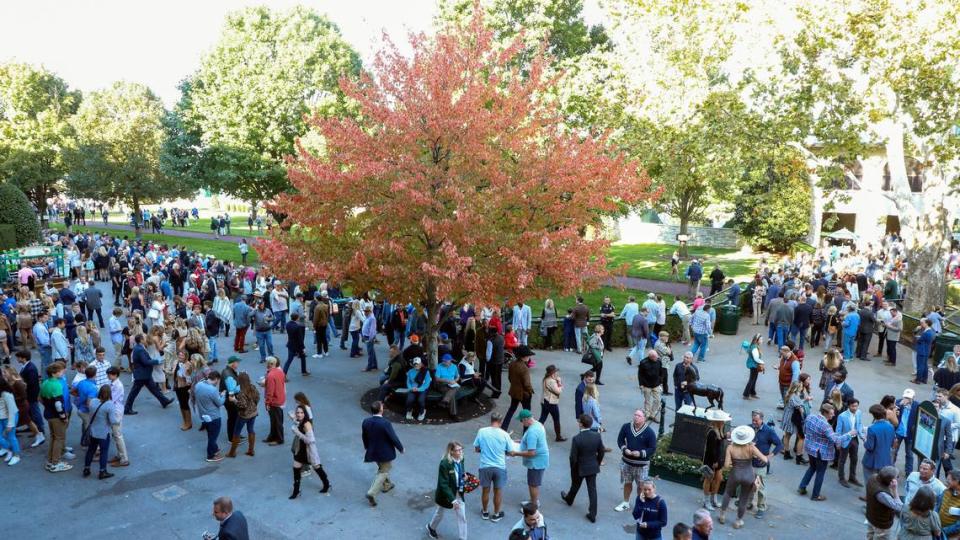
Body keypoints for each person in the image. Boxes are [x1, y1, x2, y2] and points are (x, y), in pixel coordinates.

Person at [797, 402, 856, 501]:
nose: (833, 415)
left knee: (812, 467)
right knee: (820, 472)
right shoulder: (826, 426)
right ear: (825, 413)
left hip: (810, 448)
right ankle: (815, 495)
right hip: (821, 453)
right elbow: (836, 440)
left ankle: (802, 487)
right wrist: (849, 434)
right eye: (831, 413)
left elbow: (805, 430)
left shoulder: (810, 417)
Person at [718, 425, 767, 529]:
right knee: (744, 498)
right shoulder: (751, 447)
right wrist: (756, 458)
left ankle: (722, 515)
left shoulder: (730, 447)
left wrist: (732, 464)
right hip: (749, 474)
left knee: (727, 493)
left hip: (735, 474)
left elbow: (726, 465)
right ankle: (738, 521)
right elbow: (765, 460)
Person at [561, 414, 605, 523]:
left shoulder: (577, 439)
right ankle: (592, 514)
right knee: (592, 490)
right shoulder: (596, 436)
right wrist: (597, 462)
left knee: (575, 484)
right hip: (592, 466)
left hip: (580, 466)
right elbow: (601, 451)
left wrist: (573, 468)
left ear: (581, 424)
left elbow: (573, 457)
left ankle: (569, 499)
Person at [473, 412, 514, 522]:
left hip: (485, 466)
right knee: (498, 492)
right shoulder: (505, 435)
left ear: (491, 420)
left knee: (485, 491)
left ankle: (485, 512)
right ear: (500, 422)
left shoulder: (482, 432)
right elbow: (510, 452)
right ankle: (496, 514)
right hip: (499, 467)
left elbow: (477, 449)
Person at [362, 400, 404, 507]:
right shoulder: (385, 423)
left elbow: (364, 437)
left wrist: (367, 447)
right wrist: (401, 448)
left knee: (382, 467)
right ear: (381, 410)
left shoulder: (366, 422)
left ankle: (387, 484)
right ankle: (372, 492)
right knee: (384, 471)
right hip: (384, 452)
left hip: (372, 451)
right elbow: (393, 437)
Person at [615, 409, 657, 513]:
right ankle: (625, 502)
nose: (636, 417)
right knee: (627, 483)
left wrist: (641, 453)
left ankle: (640, 505)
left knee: (641, 486)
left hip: (641, 465)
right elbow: (620, 440)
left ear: (644, 418)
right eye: (635, 415)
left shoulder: (649, 432)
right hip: (627, 462)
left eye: (639, 416)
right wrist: (625, 449)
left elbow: (652, 448)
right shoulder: (626, 427)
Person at [427, 441, 468, 540]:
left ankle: (463, 538)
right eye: (457, 450)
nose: (460, 452)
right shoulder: (445, 463)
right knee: (440, 513)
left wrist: (464, 476)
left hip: (458, 492)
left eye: (461, 449)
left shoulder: (461, 459)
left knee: (462, 516)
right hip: (446, 494)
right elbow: (443, 484)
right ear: (451, 452)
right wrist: (453, 500)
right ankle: (431, 527)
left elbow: (460, 471)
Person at [123, 334, 173, 414]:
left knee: (154, 389)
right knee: (134, 392)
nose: (146, 339)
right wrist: (157, 361)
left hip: (144, 374)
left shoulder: (139, 347)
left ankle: (164, 401)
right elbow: (146, 362)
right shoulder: (140, 349)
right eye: (145, 338)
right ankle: (127, 409)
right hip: (141, 375)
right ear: (141, 340)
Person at [289, 404, 331, 498]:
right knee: (296, 469)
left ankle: (327, 484)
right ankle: (296, 491)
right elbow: (297, 422)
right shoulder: (300, 421)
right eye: (298, 412)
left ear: (305, 413)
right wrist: (293, 419)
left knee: (317, 468)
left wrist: (297, 432)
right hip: (300, 450)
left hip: (309, 451)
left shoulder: (307, 424)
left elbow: (311, 440)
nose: (299, 414)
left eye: (301, 412)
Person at [511, 409, 549, 509]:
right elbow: (530, 441)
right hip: (540, 460)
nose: (521, 423)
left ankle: (533, 506)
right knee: (533, 483)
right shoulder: (538, 424)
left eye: (521, 421)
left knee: (533, 484)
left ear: (526, 419)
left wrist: (515, 453)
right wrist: (519, 441)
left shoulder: (532, 431)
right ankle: (533, 500)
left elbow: (531, 452)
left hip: (536, 462)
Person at [81, 384, 119, 479]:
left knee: (91, 450)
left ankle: (86, 469)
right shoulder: (109, 405)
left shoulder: (93, 401)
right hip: (103, 433)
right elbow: (113, 421)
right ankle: (102, 471)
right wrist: (118, 419)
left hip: (93, 431)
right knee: (104, 452)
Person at [749, 411, 782, 518]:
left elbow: (779, 445)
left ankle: (761, 508)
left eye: (756, 420)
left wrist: (769, 457)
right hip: (748, 463)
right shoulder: (749, 428)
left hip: (760, 465)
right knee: (748, 484)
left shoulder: (769, 431)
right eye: (753, 420)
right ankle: (748, 503)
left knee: (760, 487)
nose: (754, 422)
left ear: (762, 419)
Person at [40, 362, 72, 472]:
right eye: (61, 371)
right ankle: (56, 463)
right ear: (54, 373)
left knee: (53, 437)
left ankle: (50, 460)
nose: (63, 372)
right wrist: (63, 417)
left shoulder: (44, 383)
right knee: (59, 438)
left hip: (48, 414)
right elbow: (58, 404)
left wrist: (48, 406)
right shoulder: (57, 385)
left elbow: (40, 398)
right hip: (56, 417)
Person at [701, 409, 730, 509]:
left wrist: (725, 436)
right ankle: (706, 501)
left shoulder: (719, 430)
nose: (724, 422)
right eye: (722, 420)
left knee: (718, 479)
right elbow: (711, 449)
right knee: (708, 479)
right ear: (718, 421)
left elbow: (719, 443)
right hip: (712, 460)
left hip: (718, 459)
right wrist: (714, 461)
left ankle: (714, 499)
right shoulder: (712, 432)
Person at [195, 371, 225, 462]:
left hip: (203, 415)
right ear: (216, 379)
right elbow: (219, 403)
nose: (217, 383)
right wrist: (223, 396)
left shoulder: (198, 385)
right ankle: (210, 455)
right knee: (213, 437)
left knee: (210, 434)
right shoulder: (212, 390)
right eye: (218, 381)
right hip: (214, 417)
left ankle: (214, 448)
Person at [503, 345, 535, 432]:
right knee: (527, 414)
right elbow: (527, 384)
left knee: (511, 410)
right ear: (524, 356)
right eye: (528, 355)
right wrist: (530, 391)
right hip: (524, 394)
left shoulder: (512, 364)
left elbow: (510, 378)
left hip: (514, 392)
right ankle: (526, 432)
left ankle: (503, 428)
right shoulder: (524, 368)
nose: (529, 357)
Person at [227, 372, 259, 458]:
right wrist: (253, 406)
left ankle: (232, 452)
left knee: (236, 432)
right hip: (254, 413)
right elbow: (257, 398)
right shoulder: (252, 387)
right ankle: (251, 450)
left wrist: (234, 400)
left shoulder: (241, 392)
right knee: (251, 430)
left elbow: (243, 405)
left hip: (244, 415)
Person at [865, 466, 902, 538]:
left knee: (869, 536)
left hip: (870, 517)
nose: (898, 478)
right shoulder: (882, 494)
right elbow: (899, 507)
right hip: (880, 524)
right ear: (891, 481)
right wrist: (895, 490)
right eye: (897, 477)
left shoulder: (873, 477)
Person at [837, 398, 866, 488]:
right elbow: (838, 429)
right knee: (842, 460)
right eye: (853, 406)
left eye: (856, 406)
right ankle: (841, 478)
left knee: (854, 459)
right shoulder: (842, 416)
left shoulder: (858, 413)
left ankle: (852, 477)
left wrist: (862, 436)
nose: (855, 408)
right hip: (845, 439)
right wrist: (838, 442)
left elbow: (859, 424)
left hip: (854, 439)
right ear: (848, 406)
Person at [863, 403, 896, 482]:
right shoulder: (890, 426)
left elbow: (870, 447)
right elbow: (892, 443)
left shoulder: (872, 428)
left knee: (870, 483)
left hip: (872, 461)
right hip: (885, 460)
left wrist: (864, 440)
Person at [262, 357, 286, 446]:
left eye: (267, 363)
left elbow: (270, 391)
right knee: (276, 420)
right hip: (280, 398)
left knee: (276, 421)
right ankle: (272, 436)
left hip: (274, 401)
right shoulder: (280, 372)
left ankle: (279, 439)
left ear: (270, 364)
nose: (266, 365)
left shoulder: (270, 375)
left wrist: (267, 403)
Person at [538, 365, 566, 442]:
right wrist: (560, 383)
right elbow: (558, 391)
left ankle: (535, 433)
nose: (557, 373)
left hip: (544, 401)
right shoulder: (551, 381)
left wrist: (556, 380)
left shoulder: (546, 379)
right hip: (551, 402)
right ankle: (558, 436)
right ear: (552, 373)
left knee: (543, 418)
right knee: (556, 419)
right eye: (556, 371)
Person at [895, 389, 919, 475]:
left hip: (910, 434)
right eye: (905, 397)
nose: (906, 399)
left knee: (909, 454)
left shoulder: (917, 405)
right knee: (894, 451)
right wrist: (898, 406)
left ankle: (909, 472)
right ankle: (891, 469)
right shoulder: (898, 402)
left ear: (913, 398)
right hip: (898, 432)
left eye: (908, 398)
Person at [0, 376, 21, 466]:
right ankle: (8, 448)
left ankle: (16, 455)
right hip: (1, 417)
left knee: (11, 436)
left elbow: (12, 410)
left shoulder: (6, 394)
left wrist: (10, 424)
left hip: (9, 417)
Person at [638, 349, 663, 422]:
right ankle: (647, 415)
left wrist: (661, 382)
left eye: (656, 356)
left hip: (656, 384)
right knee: (647, 401)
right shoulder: (643, 363)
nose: (656, 358)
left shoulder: (658, 361)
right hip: (646, 385)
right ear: (650, 357)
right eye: (655, 357)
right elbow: (640, 374)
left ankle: (652, 414)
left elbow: (661, 372)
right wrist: (641, 384)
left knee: (658, 400)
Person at [404, 357, 432, 422]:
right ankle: (409, 410)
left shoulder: (425, 372)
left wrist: (418, 389)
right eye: (415, 364)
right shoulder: (410, 371)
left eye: (418, 364)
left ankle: (422, 412)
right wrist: (411, 388)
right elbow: (408, 382)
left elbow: (427, 384)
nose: (416, 365)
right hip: (412, 389)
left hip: (422, 389)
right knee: (409, 399)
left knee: (420, 400)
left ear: (421, 364)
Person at [936, 470, 960, 538]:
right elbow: (937, 505)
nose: (946, 481)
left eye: (949, 479)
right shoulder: (946, 491)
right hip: (937, 528)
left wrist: (943, 531)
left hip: (950, 535)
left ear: (957, 481)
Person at [742, 333, 763, 399]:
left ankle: (752, 392)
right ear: (757, 340)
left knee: (754, 379)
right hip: (753, 365)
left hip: (754, 365)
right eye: (761, 339)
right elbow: (756, 358)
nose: (762, 341)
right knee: (752, 379)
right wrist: (762, 362)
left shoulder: (754, 346)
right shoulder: (754, 348)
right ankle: (746, 394)